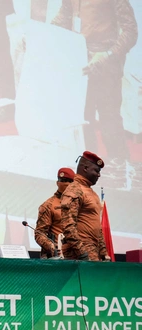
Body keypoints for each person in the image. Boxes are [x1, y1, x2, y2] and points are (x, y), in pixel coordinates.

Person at [52, 0, 138, 189]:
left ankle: (120, 171)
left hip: (107, 63)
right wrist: (40, 34)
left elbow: (131, 31)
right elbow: (63, 18)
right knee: (83, 118)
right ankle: (89, 170)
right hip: (79, 58)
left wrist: (108, 55)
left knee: (109, 118)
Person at [60, 151, 110, 261]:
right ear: (86, 168)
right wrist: (82, 253)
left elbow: (97, 226)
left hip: (93, 250)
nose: (99, 175)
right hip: (80, 252)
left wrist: (103, 252)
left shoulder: (92, 193)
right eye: (96, 170)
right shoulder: (74, 190)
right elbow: (68, 225)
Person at [34, 167, 75, 259]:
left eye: (70, 181)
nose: (67, 184)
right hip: (58, 256)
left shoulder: (78, 204)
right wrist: (52, 246)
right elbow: (39, 233)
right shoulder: (48, 205)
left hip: (77, 255)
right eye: (63, 180)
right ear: (57, 183)